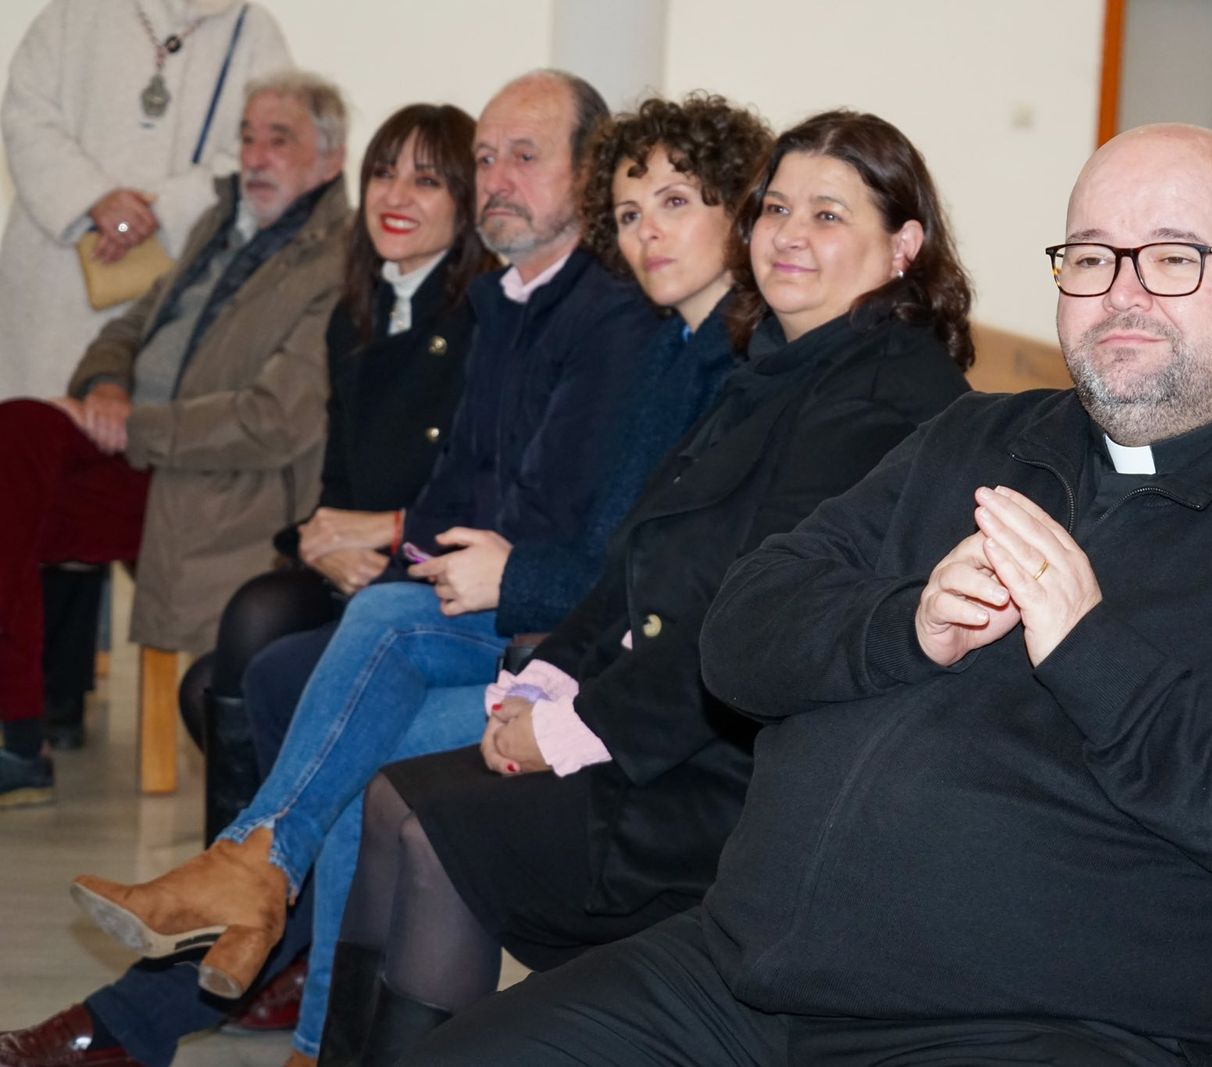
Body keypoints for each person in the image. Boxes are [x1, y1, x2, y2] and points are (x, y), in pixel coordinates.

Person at [400, 123, 1212, 1067]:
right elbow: (742, 631)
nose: (1121, 292)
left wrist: (1094, 651)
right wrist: (903, 621)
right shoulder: (977, 436)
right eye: (1090, 257)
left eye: (1173, 259)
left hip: (1043, 1027)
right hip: (735, 977)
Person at [64, 69, 727, 1067]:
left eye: (524, 156)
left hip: (569, 642)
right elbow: (459, 485)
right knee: (310, 671)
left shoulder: (632, 326)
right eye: (488, 156)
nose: (495, 177)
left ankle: (248, 910)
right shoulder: (511, 301)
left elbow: (592, 542)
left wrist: (448, 560)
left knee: (347, 689)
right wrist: (402, 544)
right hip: (509, 602)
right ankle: (279, 967)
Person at [321, 104, 973, 1063]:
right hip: (675, 730)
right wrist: (543, 686)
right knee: (394, 797)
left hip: (745, 777)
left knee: (433, 829)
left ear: (903, 244)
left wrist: (567, 731)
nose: (789, 236)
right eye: (776, 208)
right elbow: (636, 558)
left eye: (828, 216)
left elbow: (744, 622)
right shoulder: (782, 366)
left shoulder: (880, 396)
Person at [0, 70, 349, 807]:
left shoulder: (335, 262)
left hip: (202, 477)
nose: (254, 155)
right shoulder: (221, 224)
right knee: (16, 438)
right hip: (134, 443)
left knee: (17, 448)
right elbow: (126, 327)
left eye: (277, 139)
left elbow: (272, 418)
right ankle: (19, 729)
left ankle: (18, 733)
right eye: (247, 137)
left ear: (330, 158)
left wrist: (138, 426)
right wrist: (105, 386)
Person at [185, 101, 495, 843]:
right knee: (233, 640)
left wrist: (385, 535)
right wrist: (322, 546)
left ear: (467, 200)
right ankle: (236, 899)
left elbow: (473, 492)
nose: (395, 196)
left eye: (426, 181)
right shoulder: (355, 313)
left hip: (432, 580)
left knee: (261, 665)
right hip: (356, 570)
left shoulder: (485, 319)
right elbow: (336, 490)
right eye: (383, 174)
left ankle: (253, 890)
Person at [0, 0, 292, 401]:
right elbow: (26, 114)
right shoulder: (73, 11)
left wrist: (159, 212)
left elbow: (264, 157)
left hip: (170, 286)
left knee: (133, 448)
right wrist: (93, 199)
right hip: (50, 288)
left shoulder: (255, 32)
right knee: (31, 443)